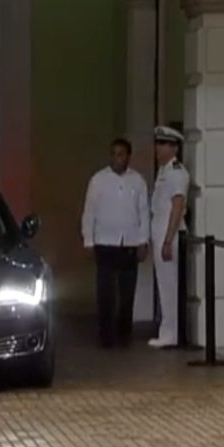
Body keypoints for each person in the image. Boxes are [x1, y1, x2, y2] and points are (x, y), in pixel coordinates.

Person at [81, 138, 149, 348]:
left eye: (121, 154)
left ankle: (124, 334)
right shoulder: (98, 180)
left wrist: (143, 241)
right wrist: (88, 241)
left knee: (127, 294)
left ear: (128, 156)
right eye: (113, 154)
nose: (117, 158)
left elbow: (144, 212)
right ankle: (105, 336)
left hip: (129, 243)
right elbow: (89, 212)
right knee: (105, 294)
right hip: (105, 243)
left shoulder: (138, 181)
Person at [149, 125, 190, 348]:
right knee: (164, 285)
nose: (158, 148)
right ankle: (167, 329)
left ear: (174, 148)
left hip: (169, 234)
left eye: (163, 144)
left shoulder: (176, 173)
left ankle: (171, 333)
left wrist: (167, 240)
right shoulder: (164, 171)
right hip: (161, 232)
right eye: (158, 143)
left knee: (169, 286)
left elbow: (177, 206)